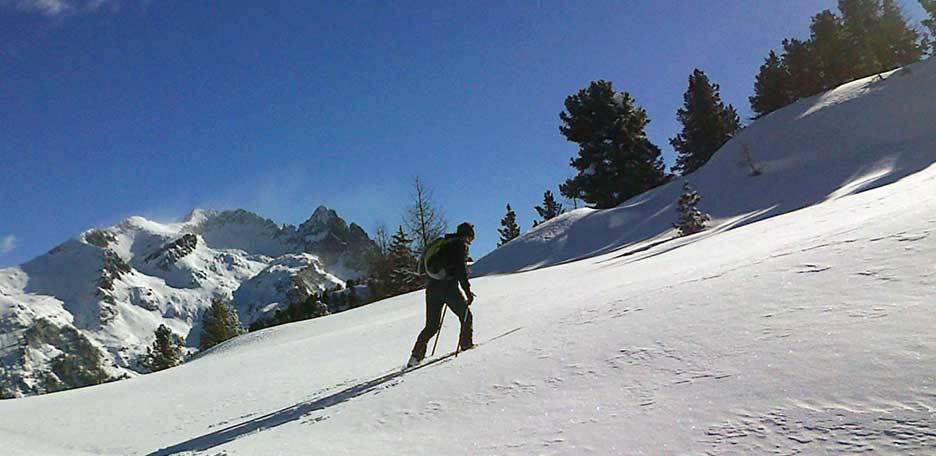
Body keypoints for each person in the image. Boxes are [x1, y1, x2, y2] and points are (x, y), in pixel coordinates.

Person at [408, 222, 476, 367]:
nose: (471, 242)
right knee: (466, 316)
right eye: (471, 238)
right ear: (468, 236)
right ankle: (466, 347)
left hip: (432, 287)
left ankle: (415, 356)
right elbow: (460, 271)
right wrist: (467, 291)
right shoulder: (459, 246)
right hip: (448, 287)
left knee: (432, 325)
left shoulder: (444, 243)